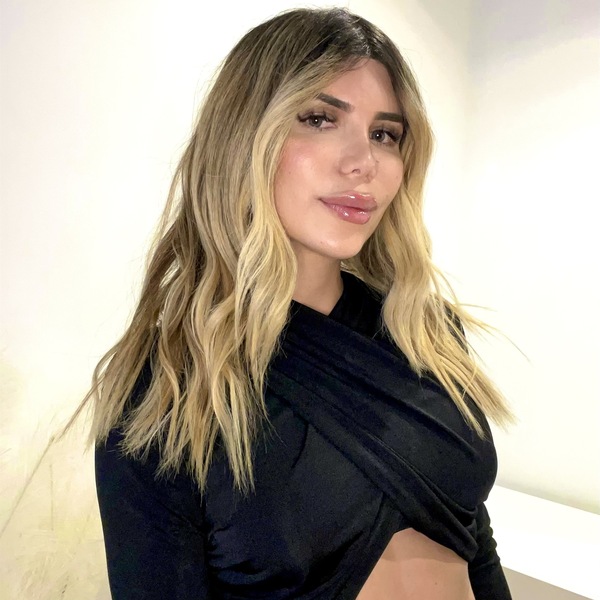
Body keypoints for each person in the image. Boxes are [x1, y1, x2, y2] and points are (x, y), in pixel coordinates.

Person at [80, 7, 514, 599]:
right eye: (318, 119)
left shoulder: (424, 333)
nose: (364, 161)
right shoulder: (167, 393)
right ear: (243, 137)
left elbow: (472, 537)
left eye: (385, 134)